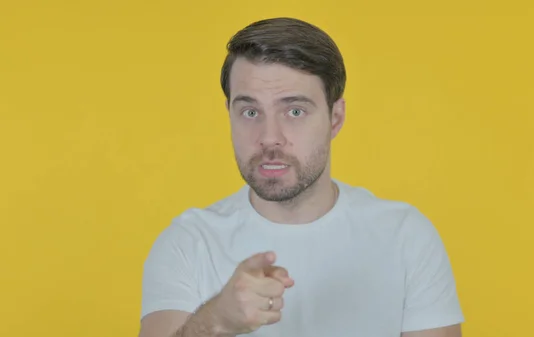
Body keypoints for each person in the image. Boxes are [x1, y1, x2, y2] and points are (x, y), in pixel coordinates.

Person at [138, 17, 464, 337]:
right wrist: (216, 323)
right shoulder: (188, 243)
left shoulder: (406, 238)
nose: (269, 137)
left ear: (335, 119)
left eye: (295, 111)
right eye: (250, 112)